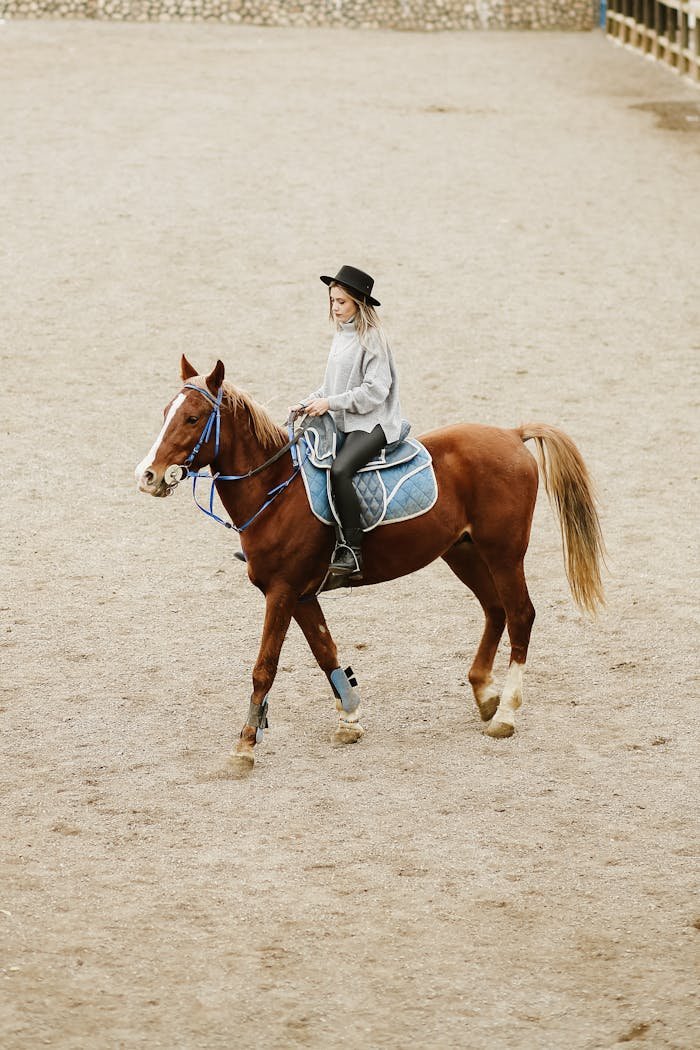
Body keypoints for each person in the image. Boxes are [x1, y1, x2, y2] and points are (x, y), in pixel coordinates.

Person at [290, 265, 403, 577]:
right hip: (344, 419)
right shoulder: (342, 335)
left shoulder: (373, 338)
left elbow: (376, 391)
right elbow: (331, 386)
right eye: (332, 301)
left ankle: (352, 550)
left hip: (374, 423)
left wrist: (330, 403)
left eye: (341, 302)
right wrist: (309, 401)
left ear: (359, 303)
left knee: (341, 470)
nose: (335, 307)